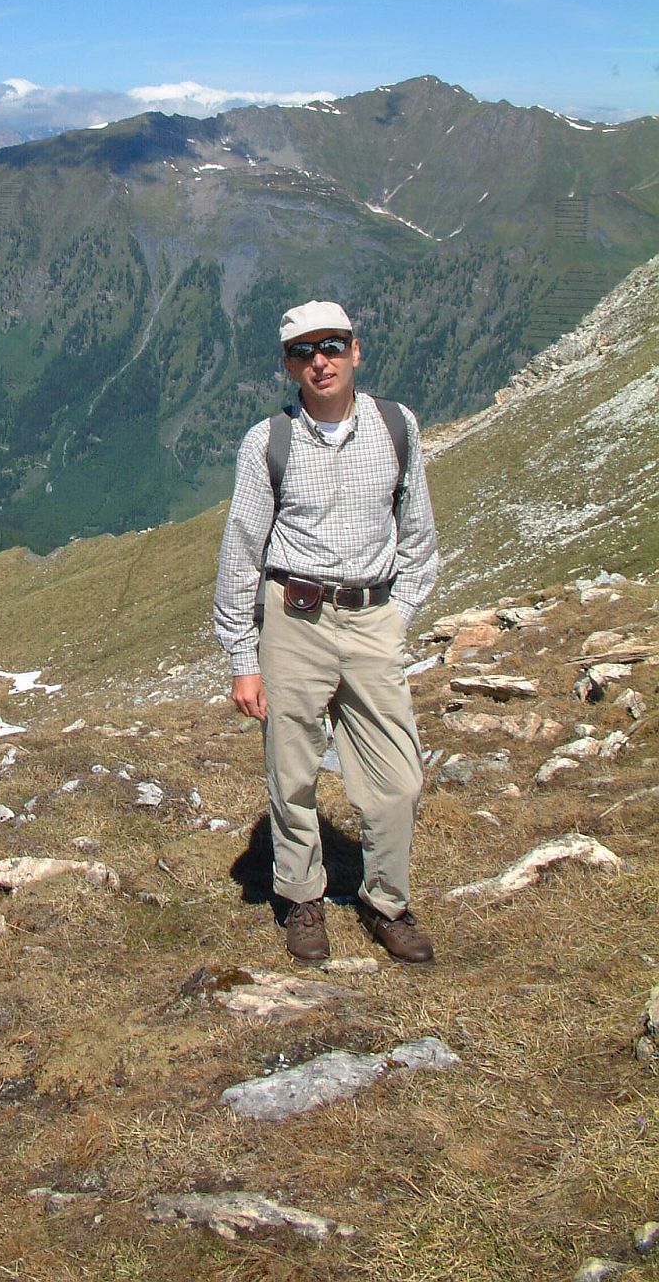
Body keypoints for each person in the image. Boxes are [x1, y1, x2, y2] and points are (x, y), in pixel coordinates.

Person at [213, 299, 439, 964]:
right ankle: (302, 898)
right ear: (288, 365)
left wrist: (394, 620)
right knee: (293, 774)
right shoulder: (268, 443)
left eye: (332, 346)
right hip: (294, 618)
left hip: (372, 619)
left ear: (355, 351)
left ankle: (385, 901)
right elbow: (241, 550)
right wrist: (242, 655)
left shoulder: (397, 427)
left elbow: (419, 539)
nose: (320, 361)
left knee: (399, 780)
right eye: (304, 351)